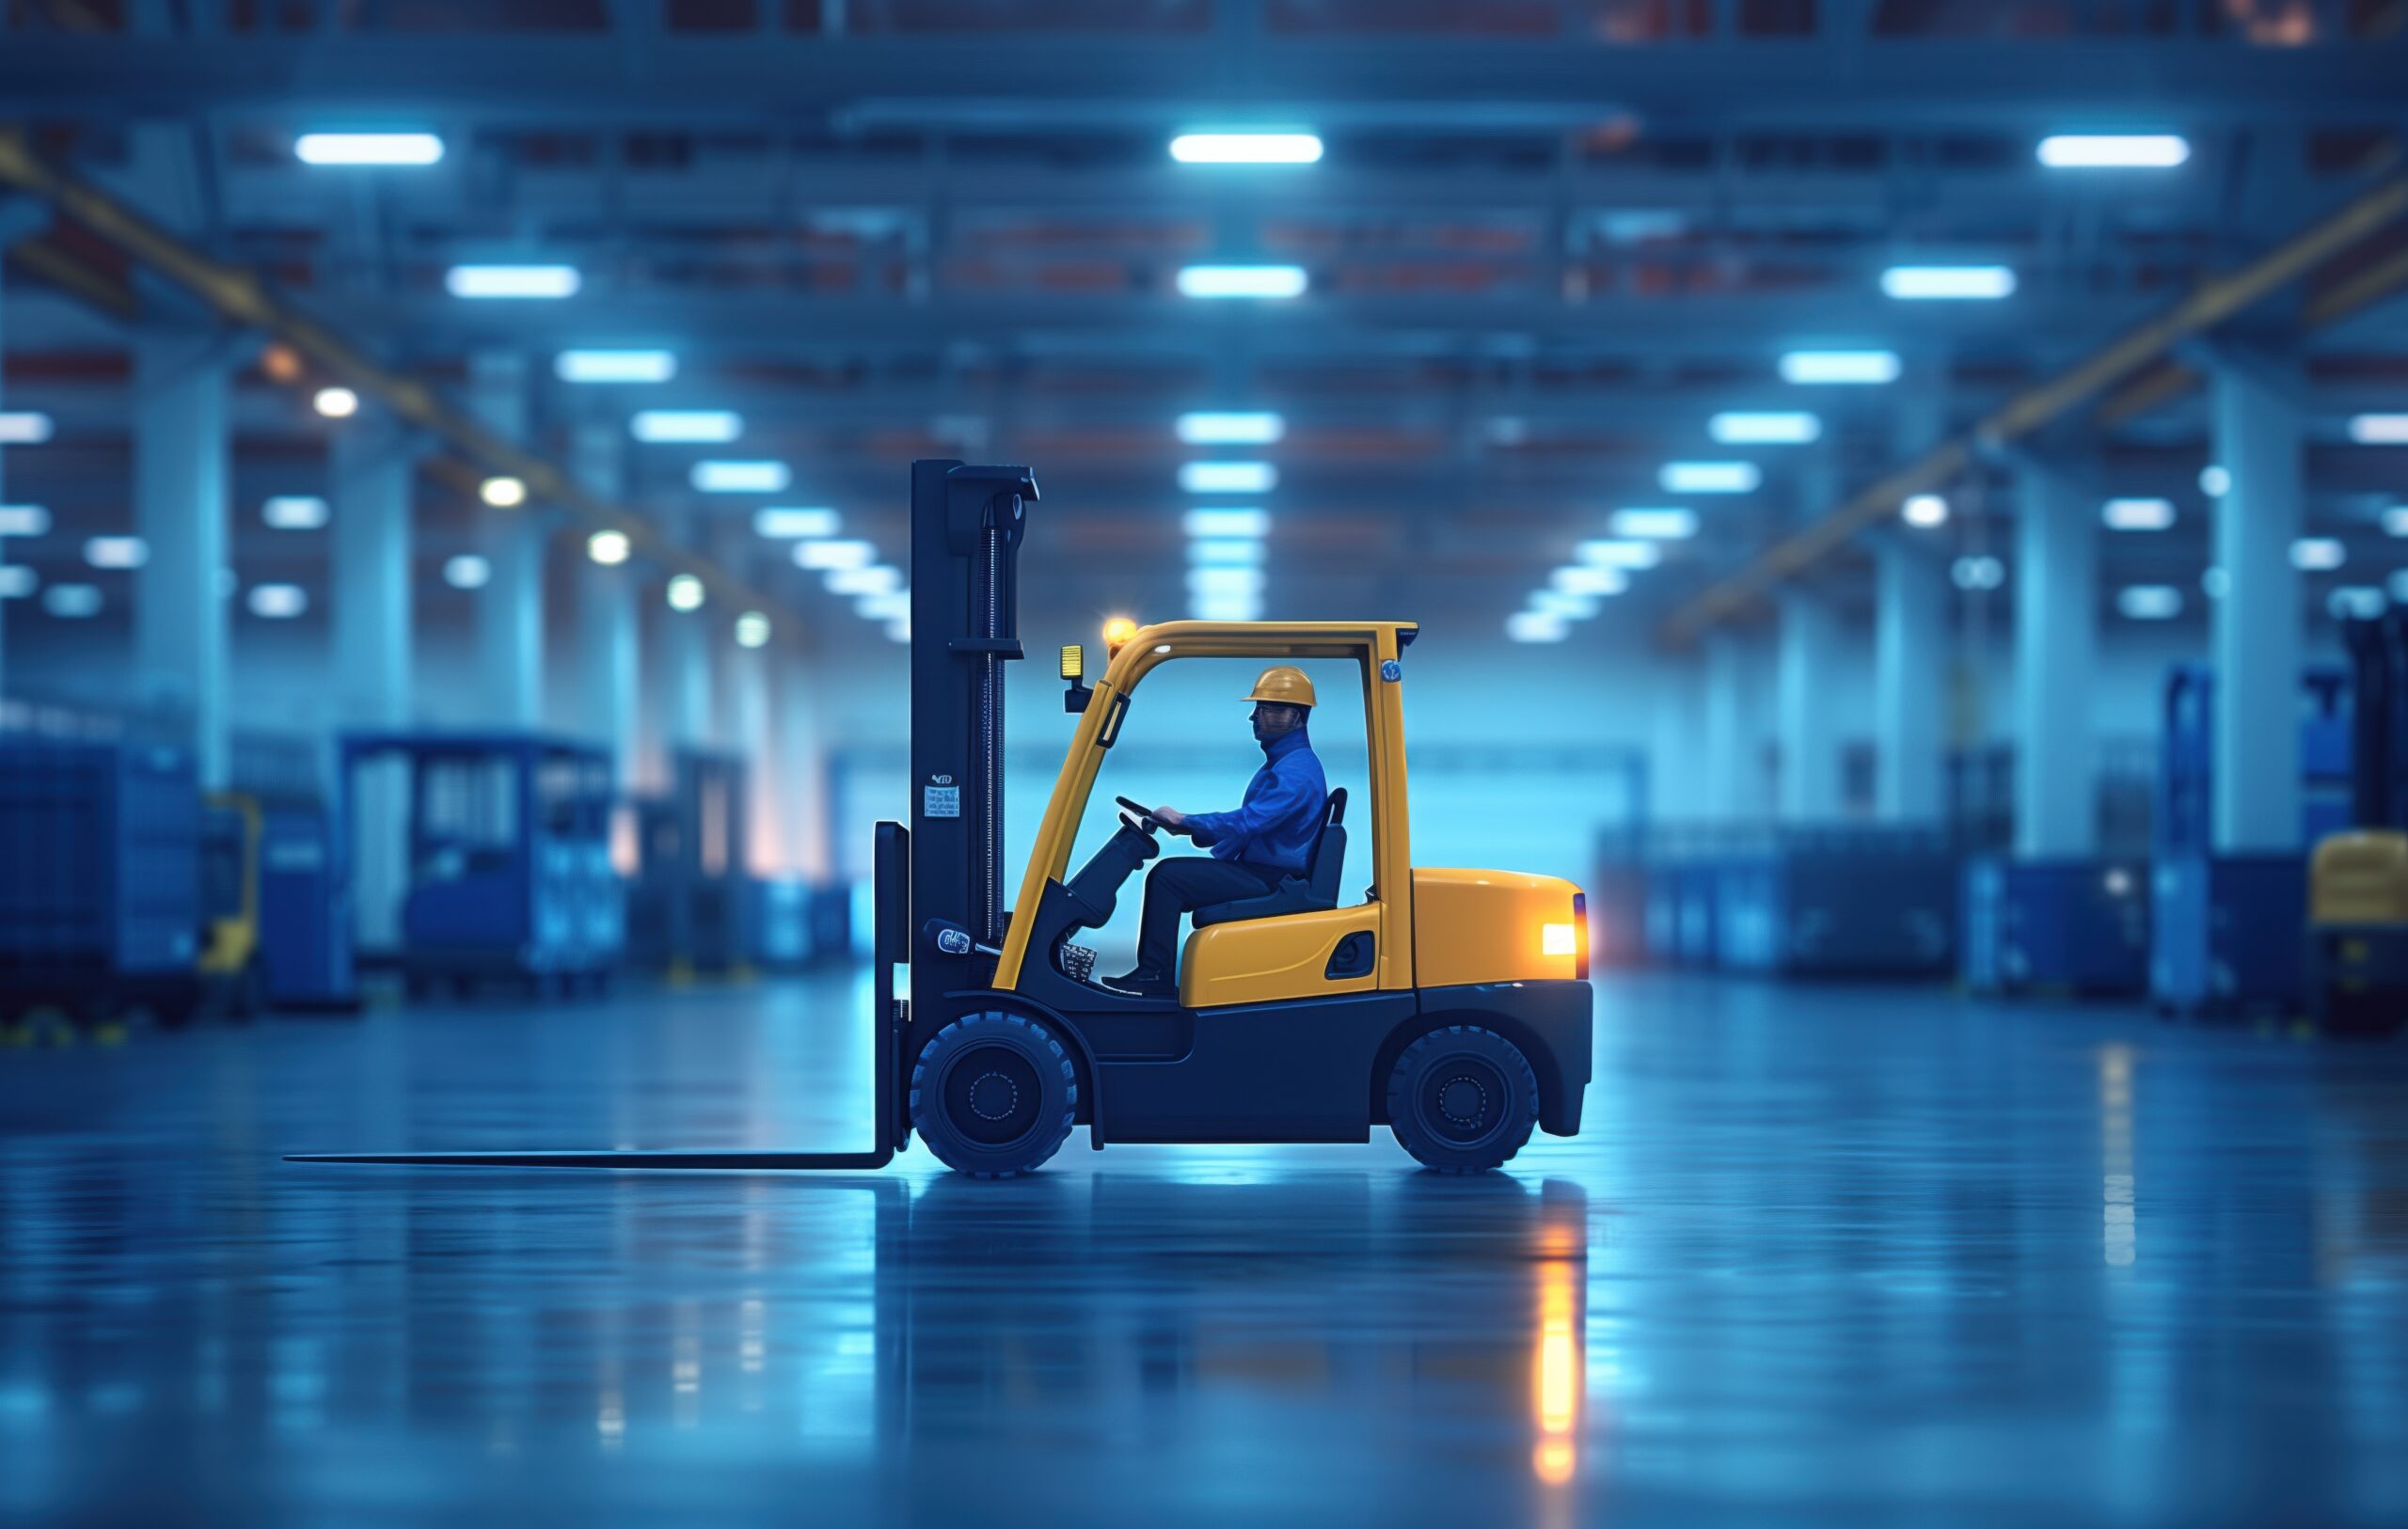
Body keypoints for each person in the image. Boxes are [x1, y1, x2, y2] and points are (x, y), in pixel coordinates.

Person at [1108, 666, 1328, 997]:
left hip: (1271, 878)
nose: (1253, 717)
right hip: (1264, 870)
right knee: (1170, 873)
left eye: (1264, 709)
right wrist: (1189, 831)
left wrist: (1186, 820)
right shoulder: (1286, 764)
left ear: (1294, 717)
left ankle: (1154, 975)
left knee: (1168, 877)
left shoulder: (1297, 772)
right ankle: (1154, 974)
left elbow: (1248, 821)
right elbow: (1250, 827)